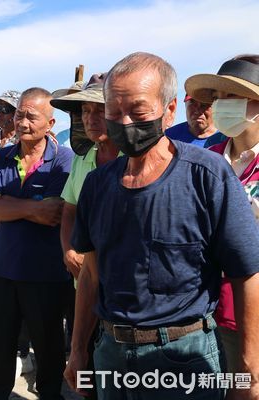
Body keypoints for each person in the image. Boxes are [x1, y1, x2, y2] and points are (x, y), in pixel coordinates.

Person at [64, 52, 259, 400]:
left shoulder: (207, 176)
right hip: (111, 354)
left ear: (169, 111)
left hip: (184, 358)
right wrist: (79, 350)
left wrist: (249, 366)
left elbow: (246, 273)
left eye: (138, 112)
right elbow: (91, 274)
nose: (124, 122)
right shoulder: (97, 185)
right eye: (113, 111)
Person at [0, 87, 74, 399]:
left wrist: (10, 205)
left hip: (46, 275)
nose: (22, 122)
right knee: (1, 349)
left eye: (31, 116)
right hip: (2, 270)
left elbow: (55, 213)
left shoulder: (64, 159)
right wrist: (33, 207)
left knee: (49, 352)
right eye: (19, 114)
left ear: (50, 123)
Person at [186, 54, 259, 374]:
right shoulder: (207, 161)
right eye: (219, 97)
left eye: (234, 96)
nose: (222, 105)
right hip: (207, 311)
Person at [52, 73, 119, 400]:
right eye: (84, 112)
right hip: (84, 287)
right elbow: (69, 211)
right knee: (85, 367)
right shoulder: (83, 159)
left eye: (98, 110)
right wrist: (68, 250)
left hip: (121, 295)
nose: (90, 119)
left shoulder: (133, 160)